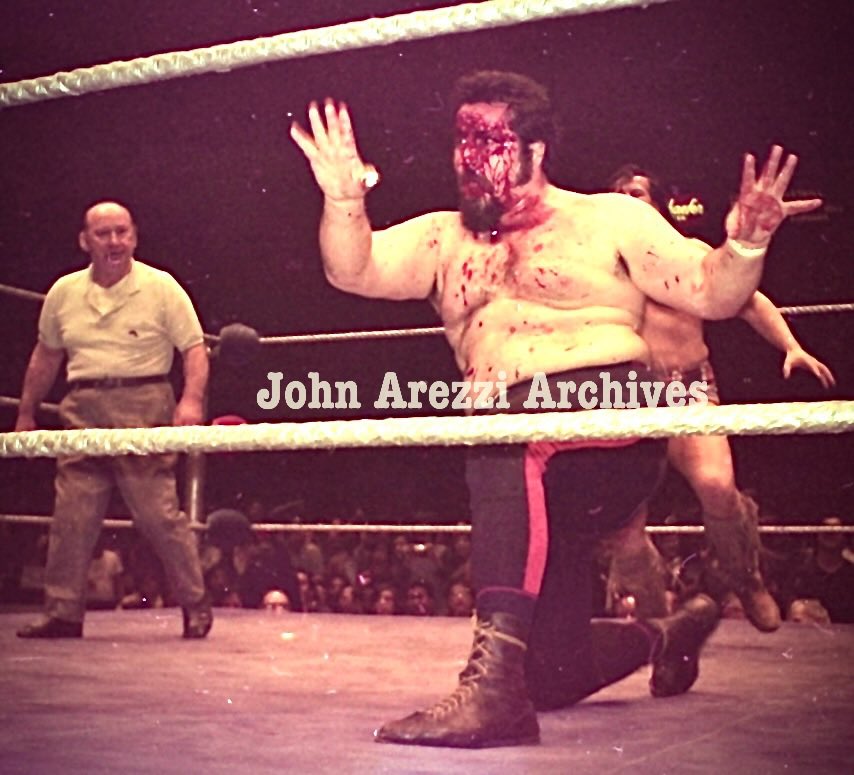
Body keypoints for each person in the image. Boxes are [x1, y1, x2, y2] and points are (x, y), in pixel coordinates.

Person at [290, 70, 821, 747]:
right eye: (463, 142)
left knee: (502, 429)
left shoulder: (609, 217)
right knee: (551, 673)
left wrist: (745, 243)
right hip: (533, 474)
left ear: (538, 151)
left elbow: (711, 290)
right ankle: (666, 631)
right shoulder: (440, 239)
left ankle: (488, 695)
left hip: (611, 425)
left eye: (491, 142)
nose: (470, 159)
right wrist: (342, 200)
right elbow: (353, 268)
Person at [604, 166, 835, 628]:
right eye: (619, 194)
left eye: (637, 191)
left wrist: (790, 345)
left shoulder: (687, 254)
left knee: (716, 487)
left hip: (687, 386)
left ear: (655, 202)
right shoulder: (598, 265)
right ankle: (657, 622)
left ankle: (747, 578)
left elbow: (749, 299)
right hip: (623, 395)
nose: (629, 198)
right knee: (625, 535)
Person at [15, 201, 213, 640]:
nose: (115, 241)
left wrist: (191, 400)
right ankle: (63, 611)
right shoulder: (64, 292)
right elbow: (46, 356)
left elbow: (194, 348)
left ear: (135, 237)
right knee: (72, 513)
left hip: (143, 401)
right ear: (85, 241)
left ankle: (196, 604)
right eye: (104, 234)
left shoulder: (161, 287)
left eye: (122, 232)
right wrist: (26, 411)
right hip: (82, 404)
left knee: (157, 514)